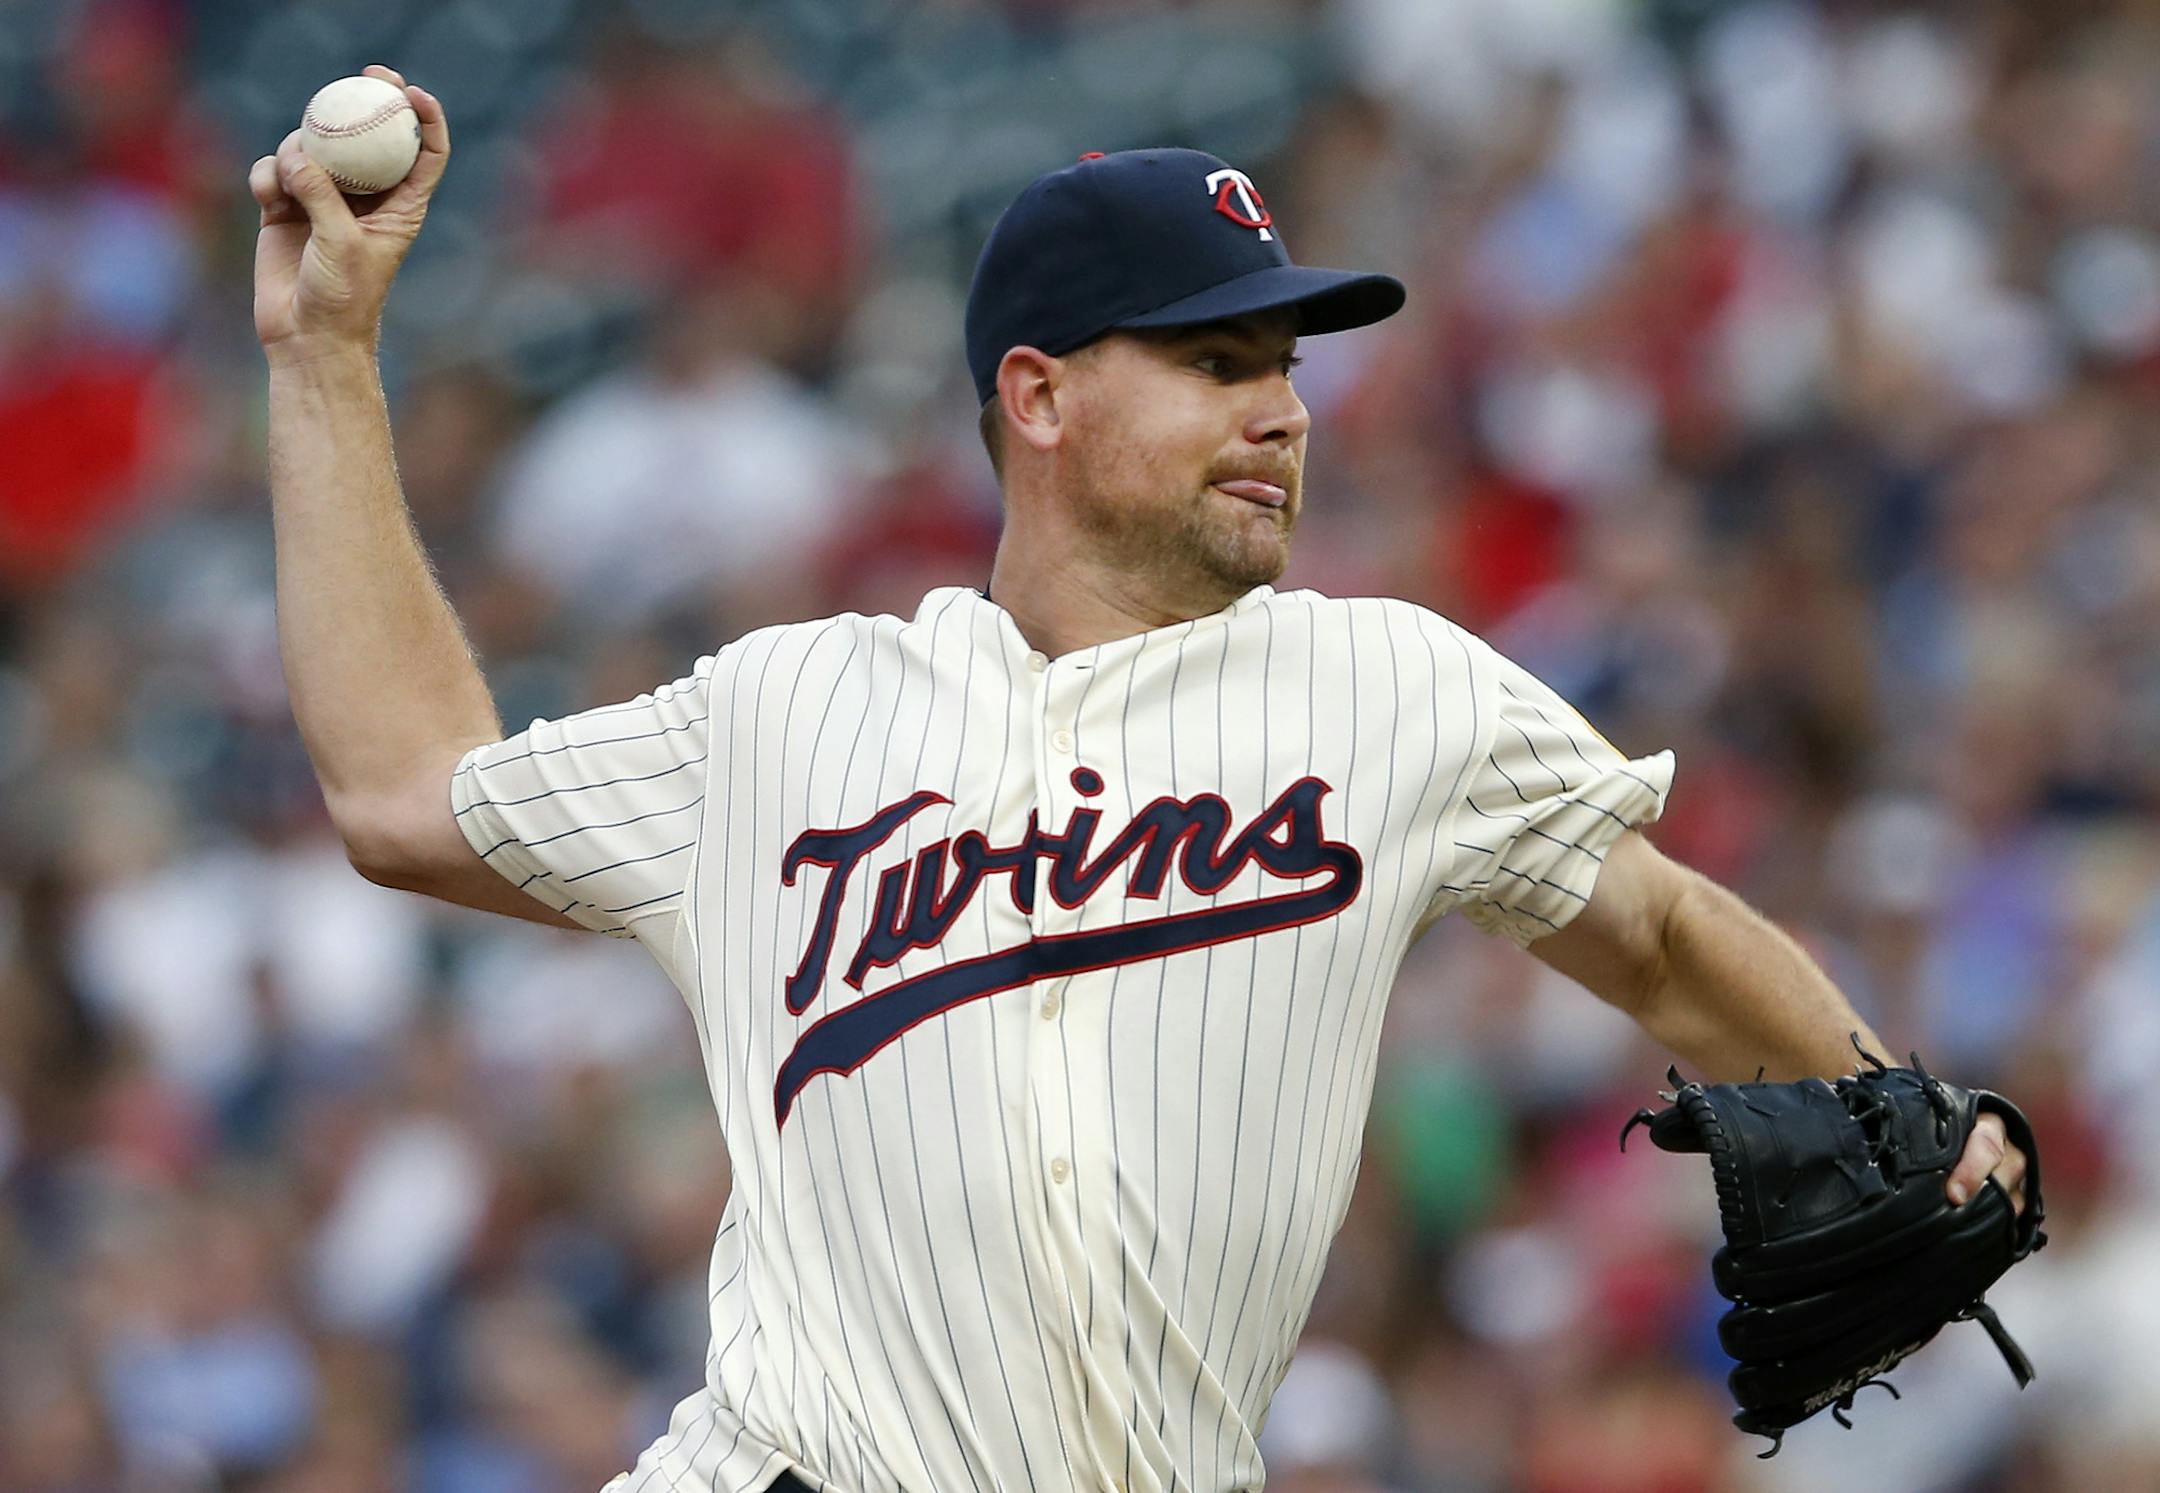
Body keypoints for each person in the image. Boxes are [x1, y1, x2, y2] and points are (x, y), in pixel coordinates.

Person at [250, 66, 2029, 1493]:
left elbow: (1652, 932)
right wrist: (324, 355)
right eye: (1214, 361)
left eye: (1286, 364)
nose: (1285, 409)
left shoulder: (1387, 682)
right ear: (1037, 397)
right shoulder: (783, 711)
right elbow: (407, 792)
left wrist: (1896, 1113)